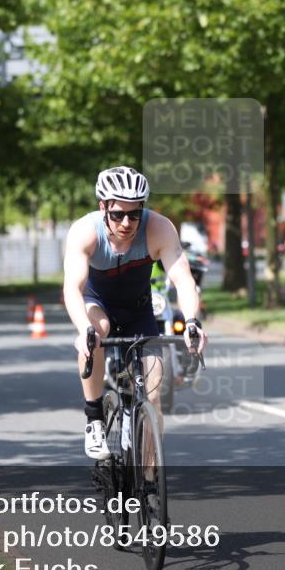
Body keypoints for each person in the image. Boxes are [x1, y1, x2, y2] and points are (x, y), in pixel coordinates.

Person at [63, 166, 208, 460]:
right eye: (118, 214)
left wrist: (192, 321)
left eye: (134, 214)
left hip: (139, 310)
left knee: (153, 396)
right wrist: (83, 330)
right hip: (97, 305)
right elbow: (72, 288)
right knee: (96, 331)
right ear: (103, 207)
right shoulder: (85, 232)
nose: (127, 222)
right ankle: (94, 419)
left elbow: (183, 279)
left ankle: (149, 483)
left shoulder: (159, 228)